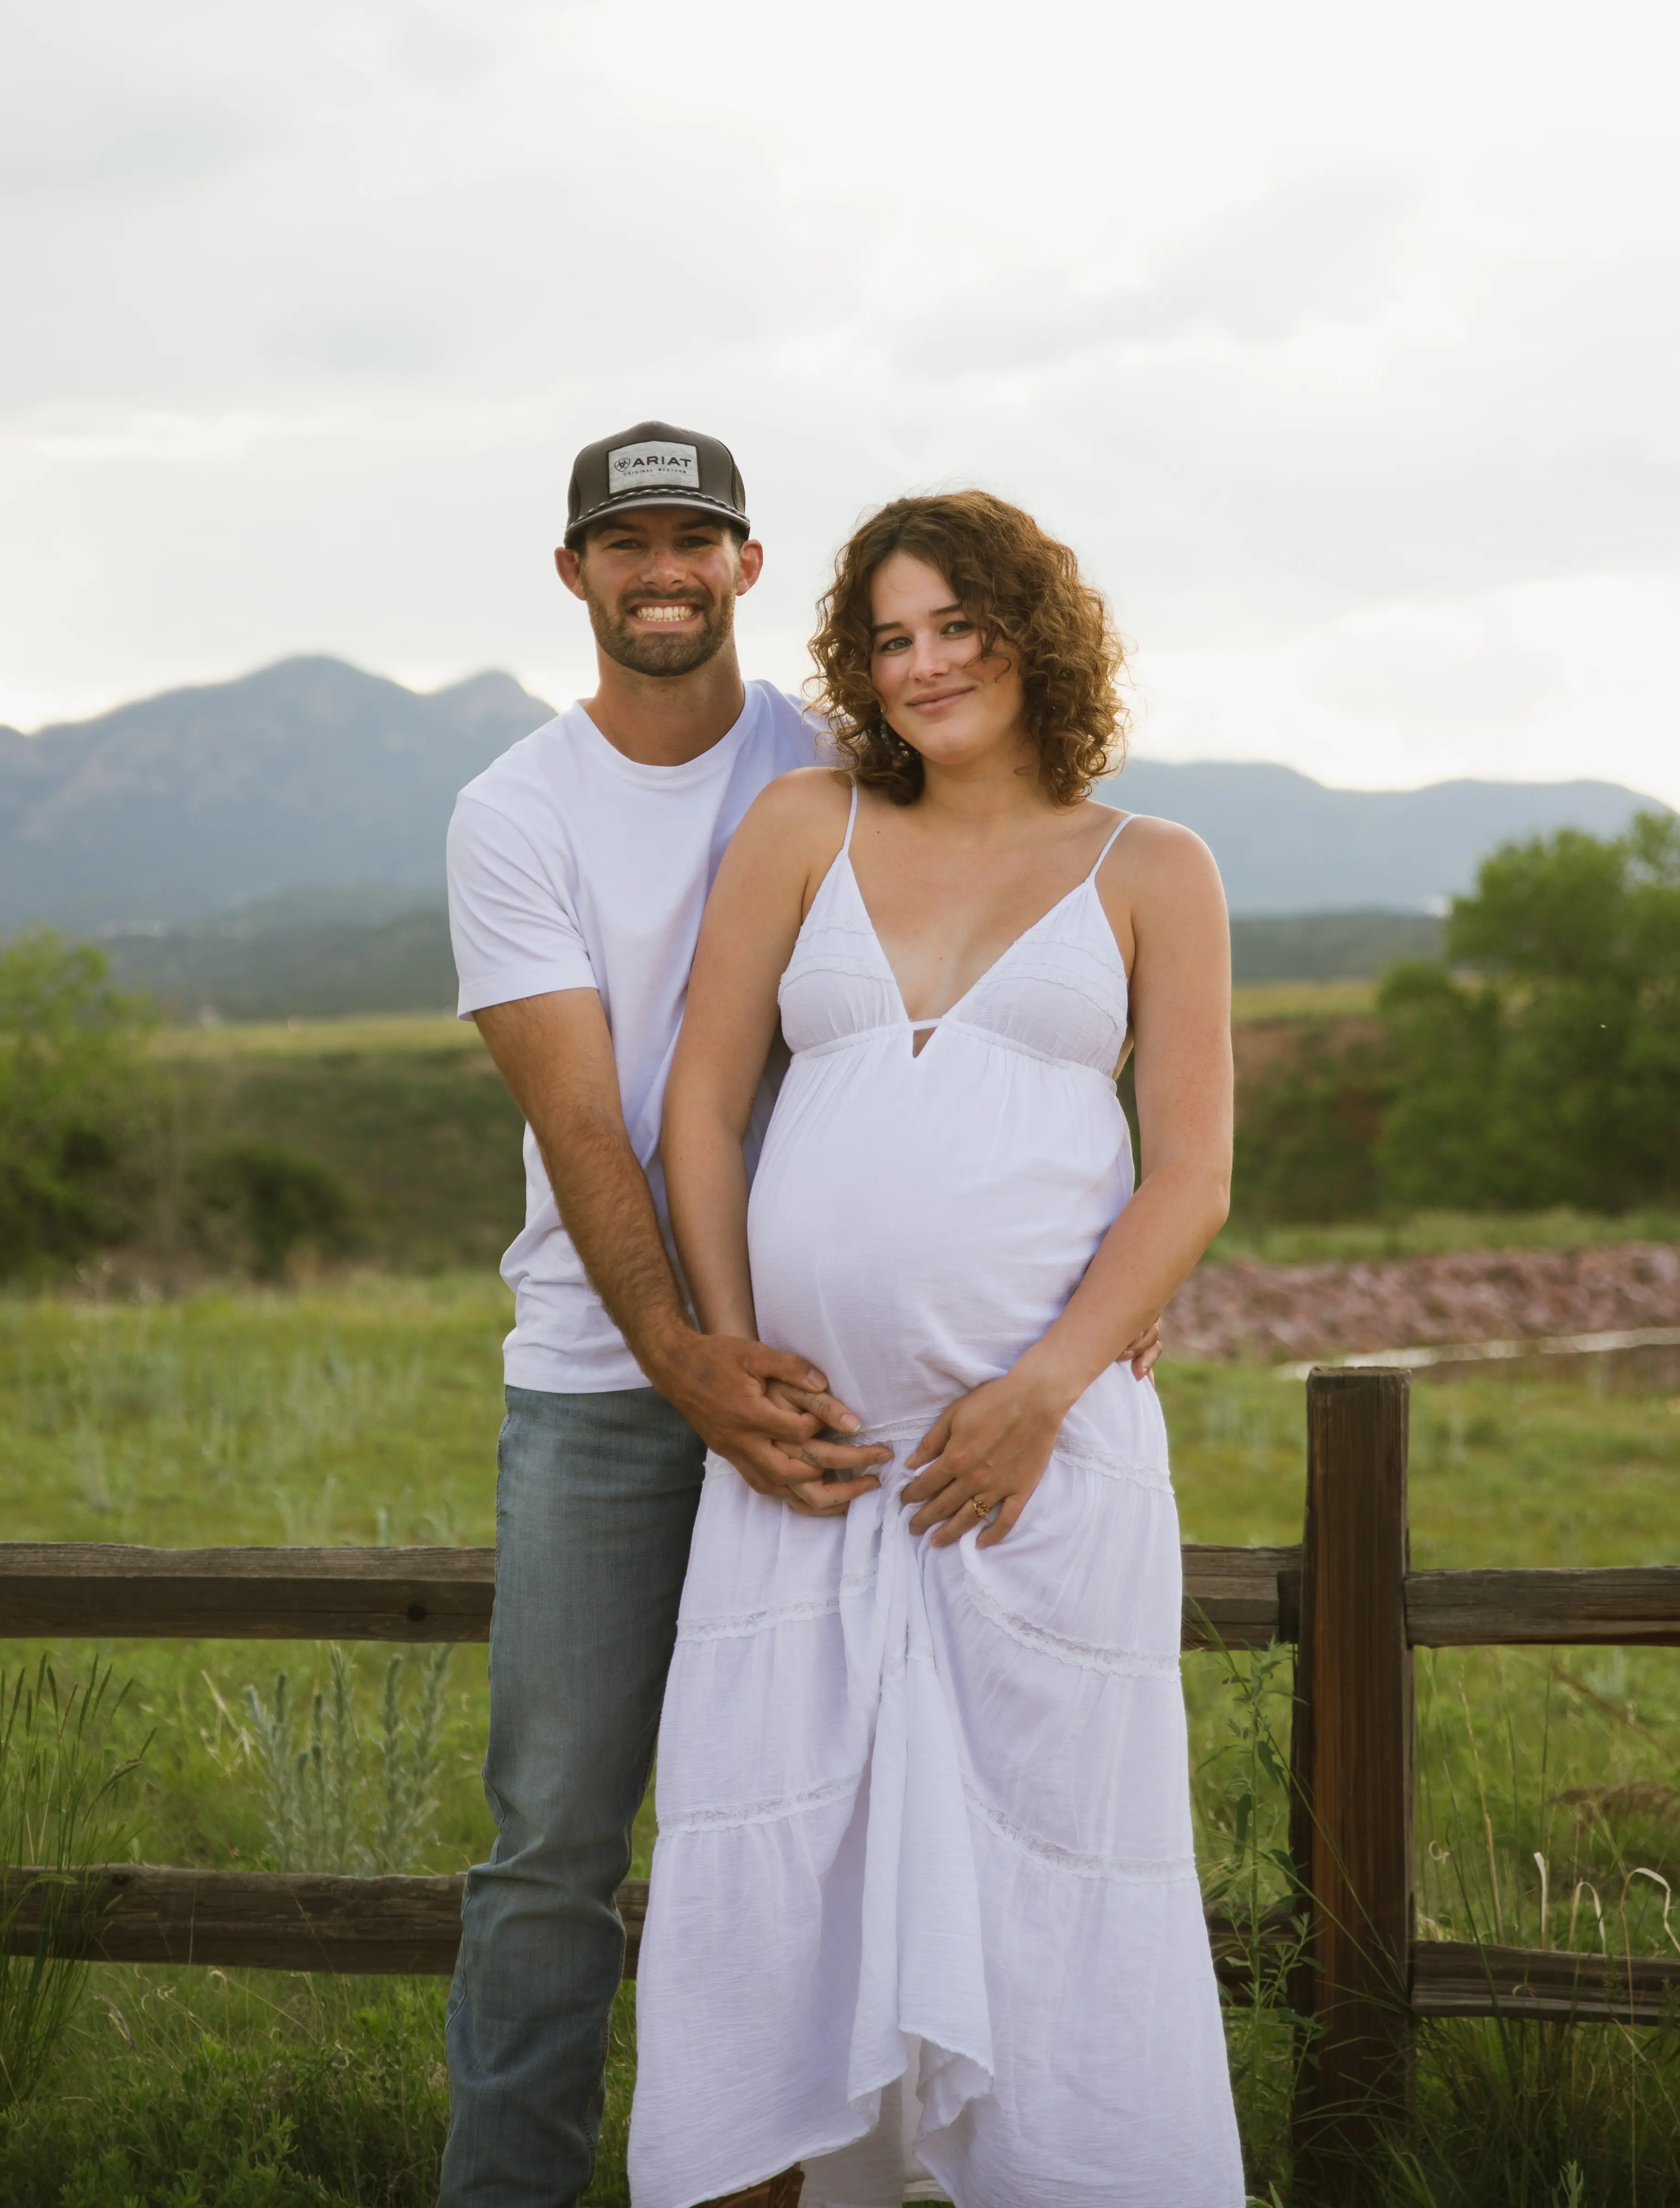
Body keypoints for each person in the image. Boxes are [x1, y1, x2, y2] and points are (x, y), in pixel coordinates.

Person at [629, 490, 1245, 2208]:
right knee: (767, 1886)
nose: (925, 666)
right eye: (891, 639)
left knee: (1051, 1883)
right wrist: (732, 1364)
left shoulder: (1155, 869)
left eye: (959, 626)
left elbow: (1190, 1179)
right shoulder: (804, 826)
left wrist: (1045, 1393)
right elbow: (700, 1107)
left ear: (1035, 634)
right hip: (808, 1466)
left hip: (1032, 1476)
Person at [438, 420, 894, 2208]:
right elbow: (583, 1126)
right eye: (624, 545)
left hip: (837, 1366)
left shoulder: (842, 761)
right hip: (602, 1380)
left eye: (691, 540)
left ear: (745, 565)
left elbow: (987, 973)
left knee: (827, 1818)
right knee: (554, 1845)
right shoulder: (516, 812)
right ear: (574, 573)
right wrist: (684, 1360)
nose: (660, 573)